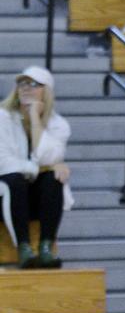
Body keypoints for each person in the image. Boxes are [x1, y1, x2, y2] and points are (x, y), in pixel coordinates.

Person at [0, 66, 73, 269]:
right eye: (22, 83)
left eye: (33, 84)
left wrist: (34, 119)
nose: (26, 88)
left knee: (54, 178)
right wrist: (40, 168)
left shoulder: (59, 125)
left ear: (46, 91)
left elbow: (48, 156)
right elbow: (3, 162)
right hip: (4, 194)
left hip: (29, 199)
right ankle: (23, 248)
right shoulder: (2, 117)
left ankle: (45, 248)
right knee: (15, 179)